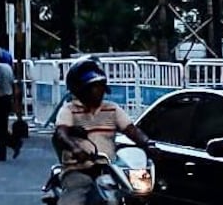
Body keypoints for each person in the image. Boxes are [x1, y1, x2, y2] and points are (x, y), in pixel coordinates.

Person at [53, 59, 152, 205]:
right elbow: (61, 133)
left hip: (110, 168)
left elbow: (131, 130)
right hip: (79, 169)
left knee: (135, 194)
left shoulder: (112, 109)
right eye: (93, 87)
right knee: (77, 190)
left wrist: (148, 143)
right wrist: (75, 149)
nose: (99, 91)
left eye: (100, 86)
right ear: (81, 89)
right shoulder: (68, 110)